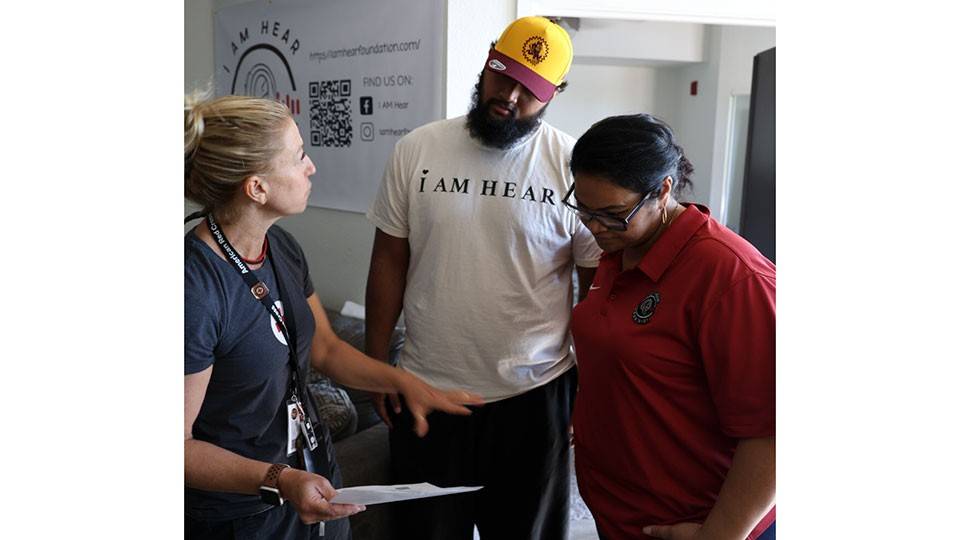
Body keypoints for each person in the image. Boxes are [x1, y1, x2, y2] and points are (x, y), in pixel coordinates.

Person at [184, 94, 484, 540]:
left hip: (313, 472)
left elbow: (324, 348)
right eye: (298, 156)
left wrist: (404, 383)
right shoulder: (193, 289)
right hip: (241, 514)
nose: (311, 167)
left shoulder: (281, 246)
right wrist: (280, 479)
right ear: (257, 188)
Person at [364, 15, 602, 540]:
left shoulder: (572, 167)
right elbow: (389, 260)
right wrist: (376, 361)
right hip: (427, 387)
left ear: (554, 93)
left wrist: (589, 390)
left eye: (530, 90)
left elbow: (595, 288)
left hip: (535, 393)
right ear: (488, 59)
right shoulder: (417, 149)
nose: (509, 97)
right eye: (503, 74)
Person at [565, 113, 776, 540]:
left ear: (662, 191)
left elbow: (774, 432)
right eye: (583, 209)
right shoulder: (620, 247)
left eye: (612, 213)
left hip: (692, 523)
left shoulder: (731, 276)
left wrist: (719, 535)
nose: (594, 226)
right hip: (619, 513)